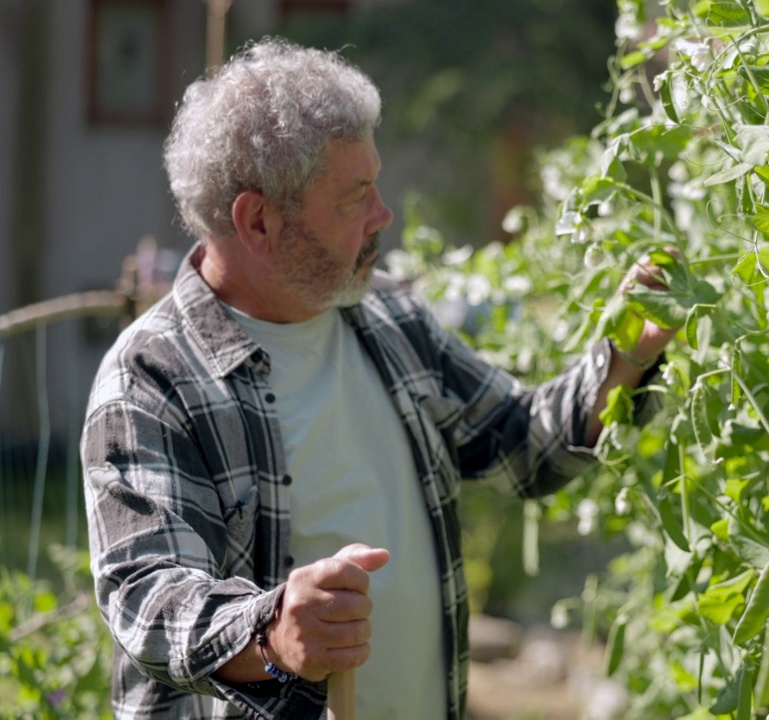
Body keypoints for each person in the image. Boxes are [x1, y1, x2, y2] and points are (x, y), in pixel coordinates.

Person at [81, 38, 673, 720]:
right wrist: (271, 633)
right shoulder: (152, 378)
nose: (382, 215)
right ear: (259, 220)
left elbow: (520, 441)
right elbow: (147, 599)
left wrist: (627, 354)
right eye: (353, 197)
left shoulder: (386, 313)